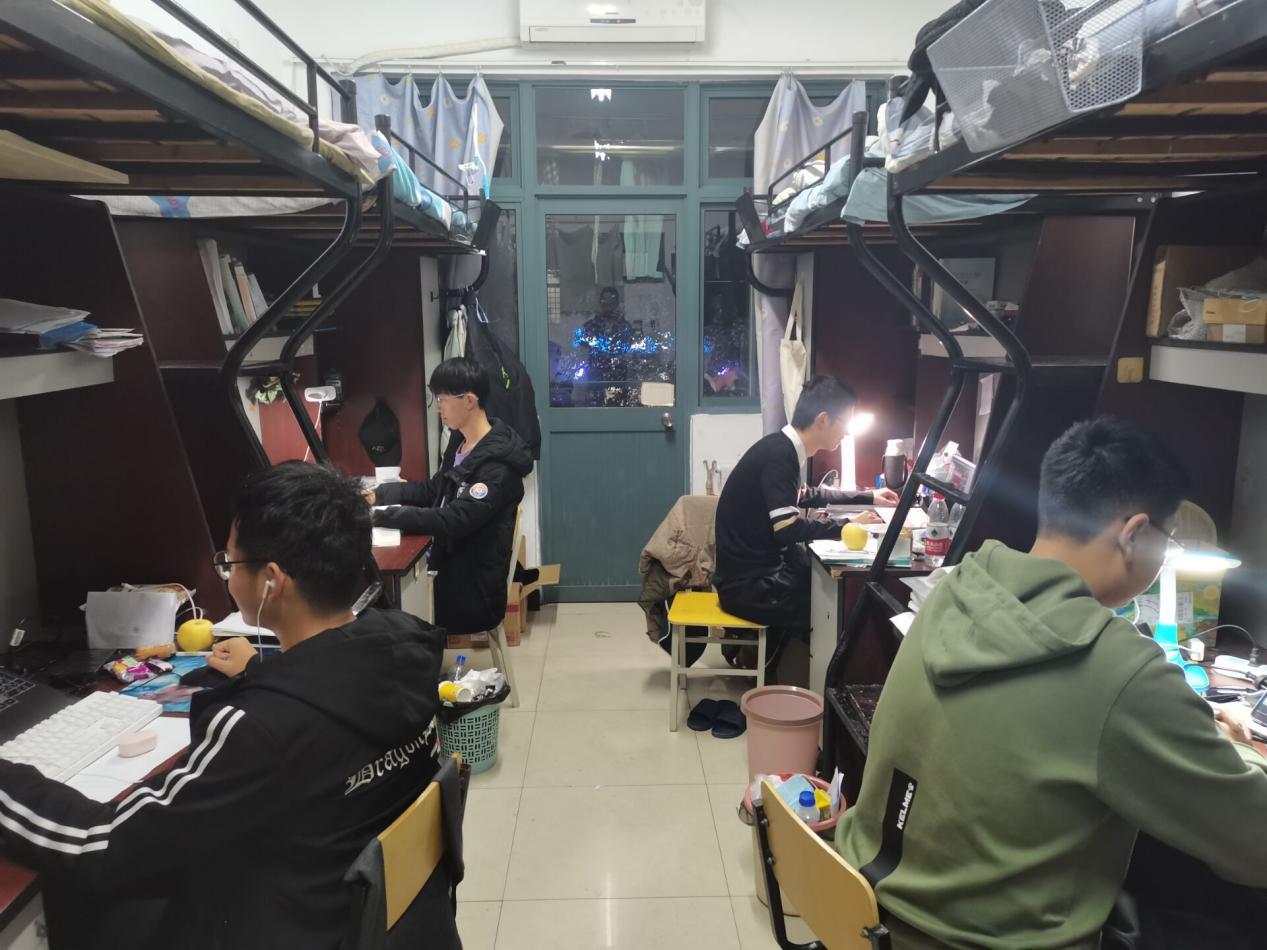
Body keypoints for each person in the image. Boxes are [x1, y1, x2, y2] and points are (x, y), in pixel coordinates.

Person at [834, 417, 1267, 949]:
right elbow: (1255, 839)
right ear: (1134, 534)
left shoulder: (957, 586)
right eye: (1168, 538)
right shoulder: (1120, 671)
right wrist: (1236, 747)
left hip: (869, 910)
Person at [0, 462, 448, 950]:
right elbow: (329, 705)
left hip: (284, 926)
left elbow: (102, 843)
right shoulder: (407, 646)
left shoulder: (259, 730)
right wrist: (263, 672)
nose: (227, 575)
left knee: (91, 908)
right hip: (375, 923)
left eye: (230, 562)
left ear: (271, 580)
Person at [712, 375, 899, 666]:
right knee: (833, 604)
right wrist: (847, 526)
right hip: (746, 587)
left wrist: (870, 496)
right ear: (823, 420)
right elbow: (786, 529)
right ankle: (778, 669)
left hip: (748, 576)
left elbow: (806, 494)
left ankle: (768, 661)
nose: (847, 432)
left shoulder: (781, 447)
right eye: (845, 423)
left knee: (817, 581)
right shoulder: (780, 456)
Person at [370, 357, 533, 638]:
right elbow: (434, 489)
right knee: (383, 599)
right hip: (446, 564)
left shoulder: (497, 467)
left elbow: (454, 520)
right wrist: (378, 495)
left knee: (384, 612)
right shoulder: (462, 442)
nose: (439, 408)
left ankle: (418, 660)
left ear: (468, 400)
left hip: (468, 588)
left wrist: (381, 517)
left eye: (442, 400)